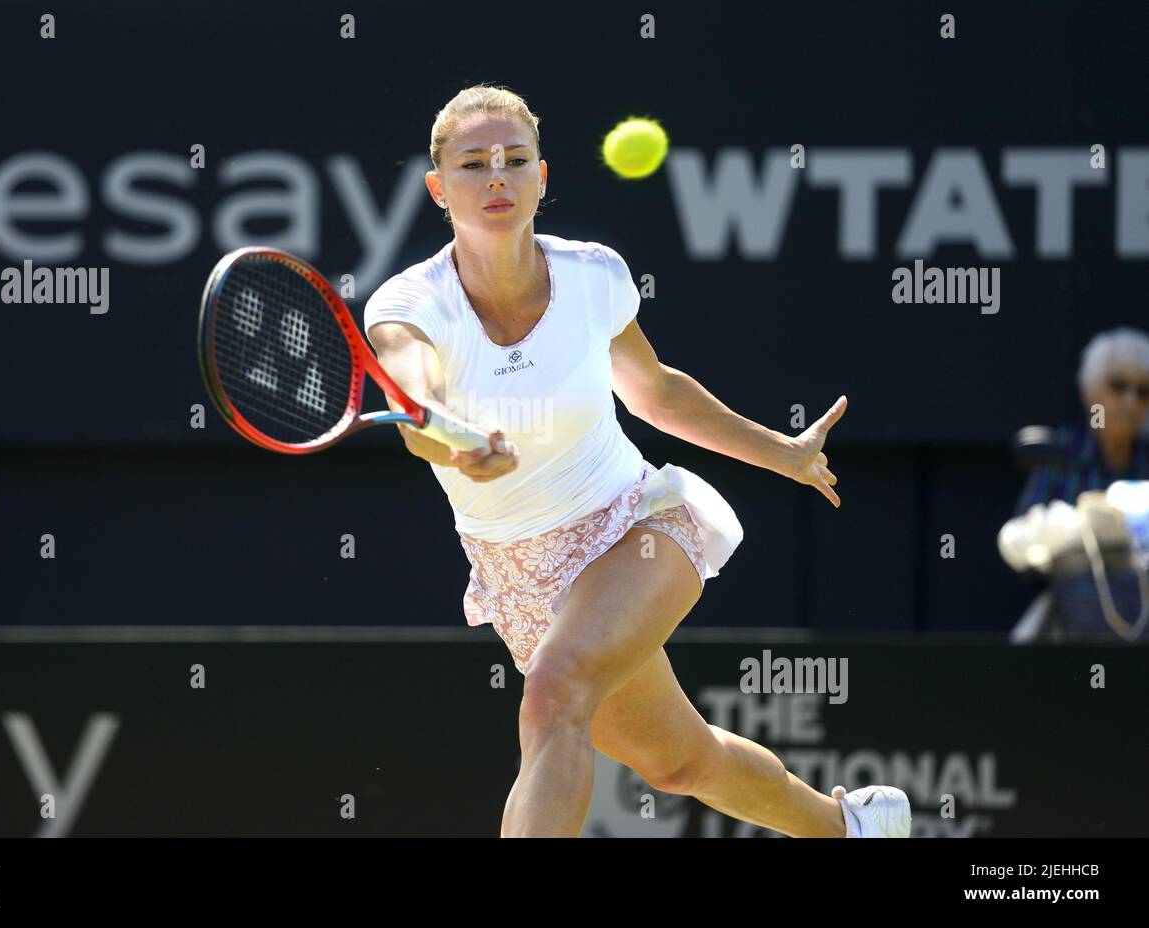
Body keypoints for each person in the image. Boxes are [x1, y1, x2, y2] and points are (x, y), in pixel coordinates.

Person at [363, 84, 909, 838]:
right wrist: (453, 435)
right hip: (514, 570)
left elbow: (654, 393)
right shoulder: (406, 305)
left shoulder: (594, 276)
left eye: (515, 160)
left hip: (634, 526)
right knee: (681, 762)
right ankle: (853, 829)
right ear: (437, 187)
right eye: (473, 163)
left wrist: (779, 453)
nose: (497, 177)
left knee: (553, 697)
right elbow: (415, 408)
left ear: (542, 177)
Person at [1013, 327, 1149, 518]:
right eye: (1118, 385)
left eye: (1143, 391)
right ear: (1093, 390)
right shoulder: (1063, 449)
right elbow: (1024, 530)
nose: (1131, 401)